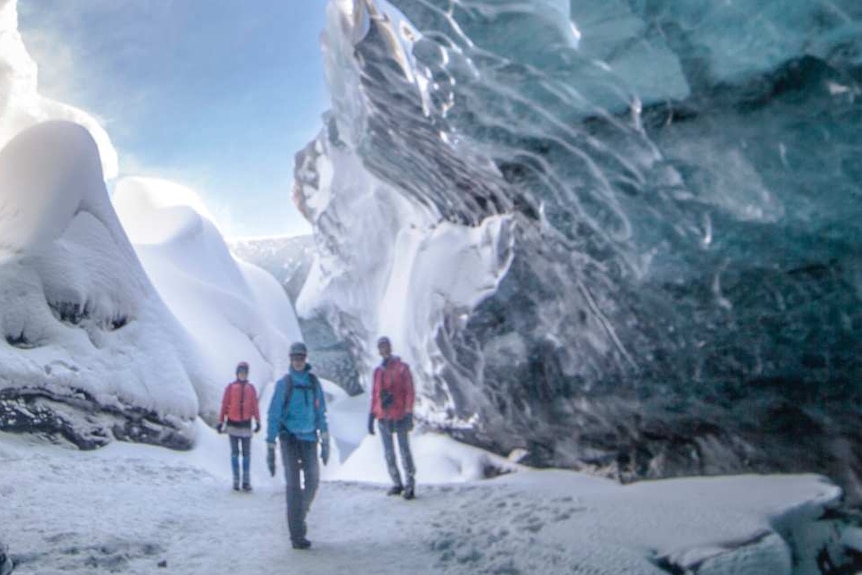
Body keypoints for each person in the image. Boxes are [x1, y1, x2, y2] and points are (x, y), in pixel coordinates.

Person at [266, 342, 330, 550]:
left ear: (305, 358)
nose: (298, 361)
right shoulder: (284, 384)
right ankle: (297, 534)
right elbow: (274, 414)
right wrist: (270, 443)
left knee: (313, 481)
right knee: (293, 486)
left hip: (310, 438)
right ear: (290, 359)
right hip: (290, 439)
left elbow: (321, 411)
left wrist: (325, 437)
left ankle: (298, 516)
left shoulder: (313, 383)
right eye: (295, 358)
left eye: (301, 358)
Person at [367, 336, 417, 500]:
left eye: (386, 346)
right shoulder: (378, 371)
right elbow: (375, 395)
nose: (385, 349)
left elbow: (409, 391)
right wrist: (372, 414)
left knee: (404, 450)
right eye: (381, 347)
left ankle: (410, 484)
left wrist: (408, 412)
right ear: (379, 350)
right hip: (384, 416)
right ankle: (397, 483)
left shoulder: (402, 368)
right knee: (389, 452)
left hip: (400, 414)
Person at [217, 361, 261, 492]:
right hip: (233, 424)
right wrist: (221, 421)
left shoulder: (251, 389)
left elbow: (254, 406)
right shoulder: (230, 388)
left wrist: (258, 421)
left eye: (245, 372)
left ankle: (246, 480)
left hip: (246, 425)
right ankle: (236, 479)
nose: (243, 375)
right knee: (235, 453)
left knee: (246, 454)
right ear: (237, 373)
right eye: (241, 372)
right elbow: (225, 405)